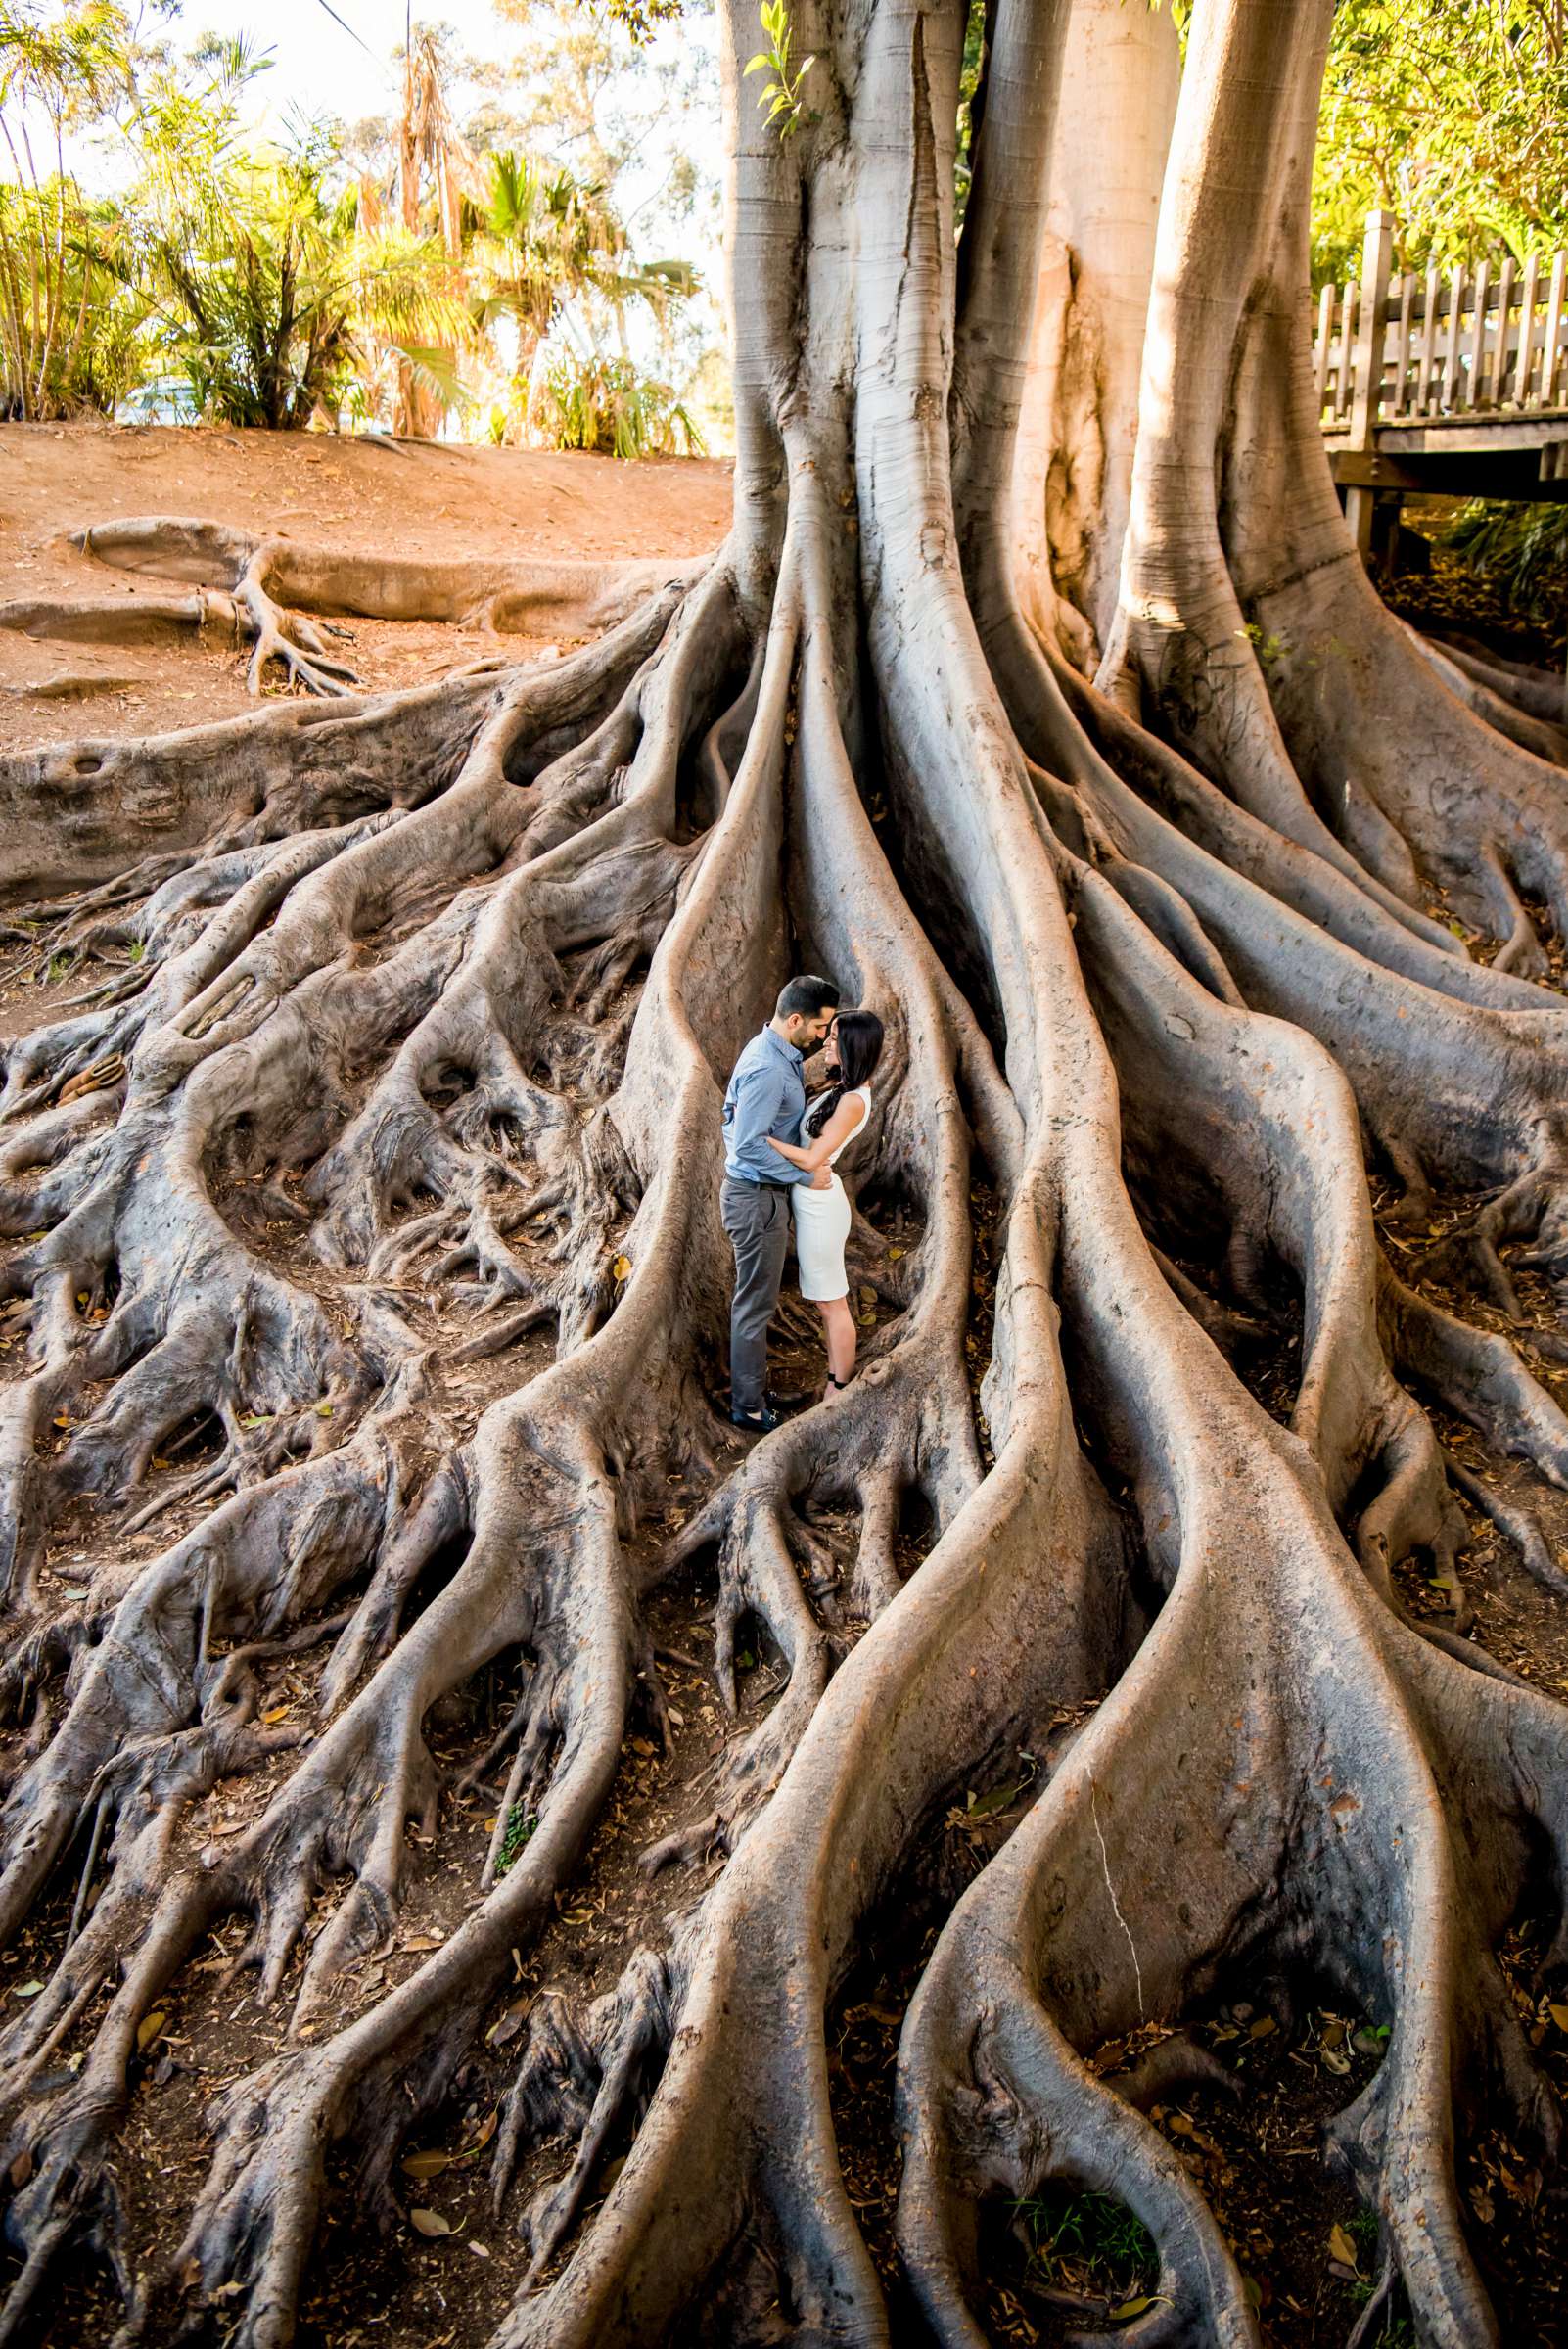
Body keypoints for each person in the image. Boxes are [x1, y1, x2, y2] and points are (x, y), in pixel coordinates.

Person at [720, 975, 841, 1430]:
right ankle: (748, 1408)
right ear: (795, 1019)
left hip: (762, 1196)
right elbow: (746, 1147)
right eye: (819, 1027)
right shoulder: (769, 1068)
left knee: (757, 1301)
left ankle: (749, 1387)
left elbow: (731, 1122)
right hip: (756, 1201)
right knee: (755, 1304)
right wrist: (805, 1175)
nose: (822, 1036)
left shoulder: (777, 1053)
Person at [766, 1008, 886, 1396]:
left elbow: (813, 1158)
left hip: (821, 1209)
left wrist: (757, 1140)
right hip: (811, 1199)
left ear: (854, 1046)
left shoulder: (853, 1101)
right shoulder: (839, 1089)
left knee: (832, 1302)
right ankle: (837, 1373)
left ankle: (839, 1384)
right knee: (825, 1300)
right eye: (829, 1034)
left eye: (835, 1037)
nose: (827, 1042)